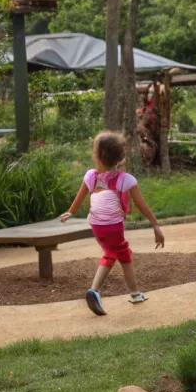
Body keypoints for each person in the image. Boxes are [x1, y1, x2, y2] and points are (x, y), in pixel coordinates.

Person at [61, 130, 165, 316]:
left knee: (116, 253)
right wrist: (155, 225)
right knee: (119, 254)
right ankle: (109, 291)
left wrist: (71, 211)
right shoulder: (125, 180)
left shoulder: (91, 176)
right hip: (113, 226)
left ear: (97, 156)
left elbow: (80, 197)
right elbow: (142, 206)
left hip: (97, 226)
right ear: (120, 157)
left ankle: (122, 292)